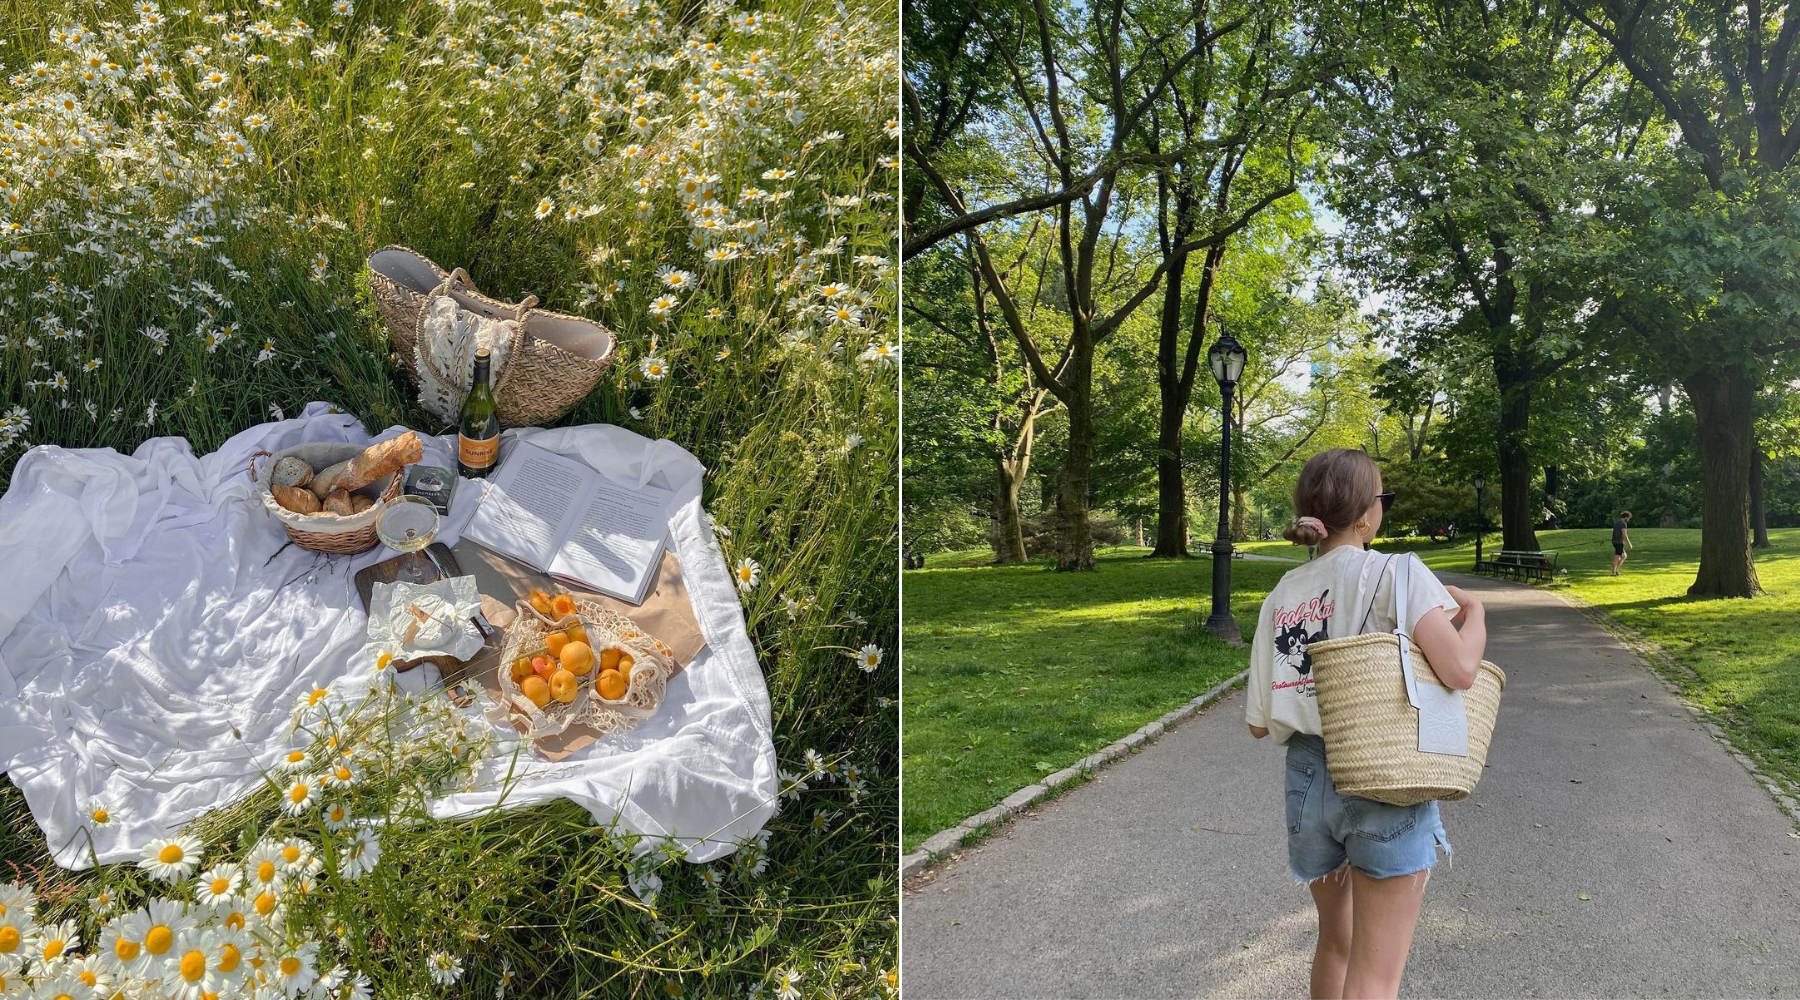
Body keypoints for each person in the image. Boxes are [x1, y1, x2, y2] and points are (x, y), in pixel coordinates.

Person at [1245, 448, 1489, 1000]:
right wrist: (1475, 616)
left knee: (1336, 942)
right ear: (1365, 515)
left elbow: (1260, 724)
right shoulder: (1398, 572)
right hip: (1382, 774)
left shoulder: (1283, 593)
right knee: (1377, 975)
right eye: (1384, 497)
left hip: (1306, 781)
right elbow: (1459, 669)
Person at [1611, 511, 1633, 576]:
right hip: (1618, 542)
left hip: (1615, 541)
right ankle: (1613, 573)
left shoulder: (1617, 522)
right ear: (1626, 517)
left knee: (1624, 556)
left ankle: (1616, 570)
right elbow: (1624, 534)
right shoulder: (1623, 524)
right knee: (1617, 557)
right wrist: (1629, 544)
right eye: (1628, 518)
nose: (1628, 520)